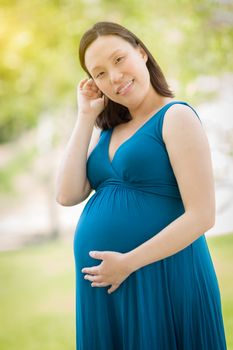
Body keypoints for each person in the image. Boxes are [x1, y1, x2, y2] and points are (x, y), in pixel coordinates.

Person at [55, 21, 227, 350]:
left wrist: (128, 263)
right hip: (110, 286)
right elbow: (67, 194)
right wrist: (85, 117)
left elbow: (202, 215)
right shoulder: (109, 131)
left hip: (161, 277)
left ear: (141, 53)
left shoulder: (175, 117)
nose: (114, 77)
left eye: (119, 60)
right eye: (100, 73)